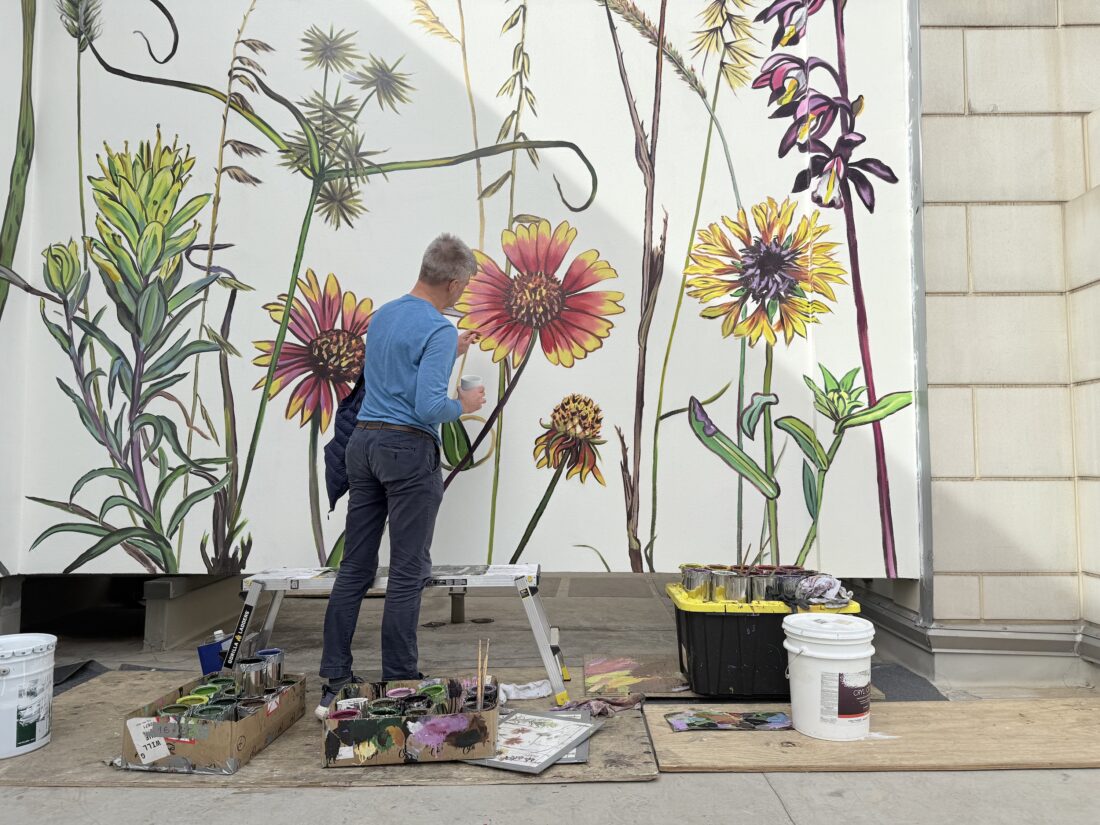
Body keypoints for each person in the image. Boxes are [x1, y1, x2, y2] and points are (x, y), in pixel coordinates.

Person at [315, 233, 486, 718]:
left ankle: (335, 675)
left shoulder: (387, 314)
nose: (463, 294)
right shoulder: (435, 328)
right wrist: (465, 405)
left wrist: (450, 350)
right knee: (409, 572)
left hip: (363, 444)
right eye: (464, 287)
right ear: (453, 284)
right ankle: (399, 680)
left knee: (356, 567)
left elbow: (391, 372)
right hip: (406, 449)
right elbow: (429, 404)